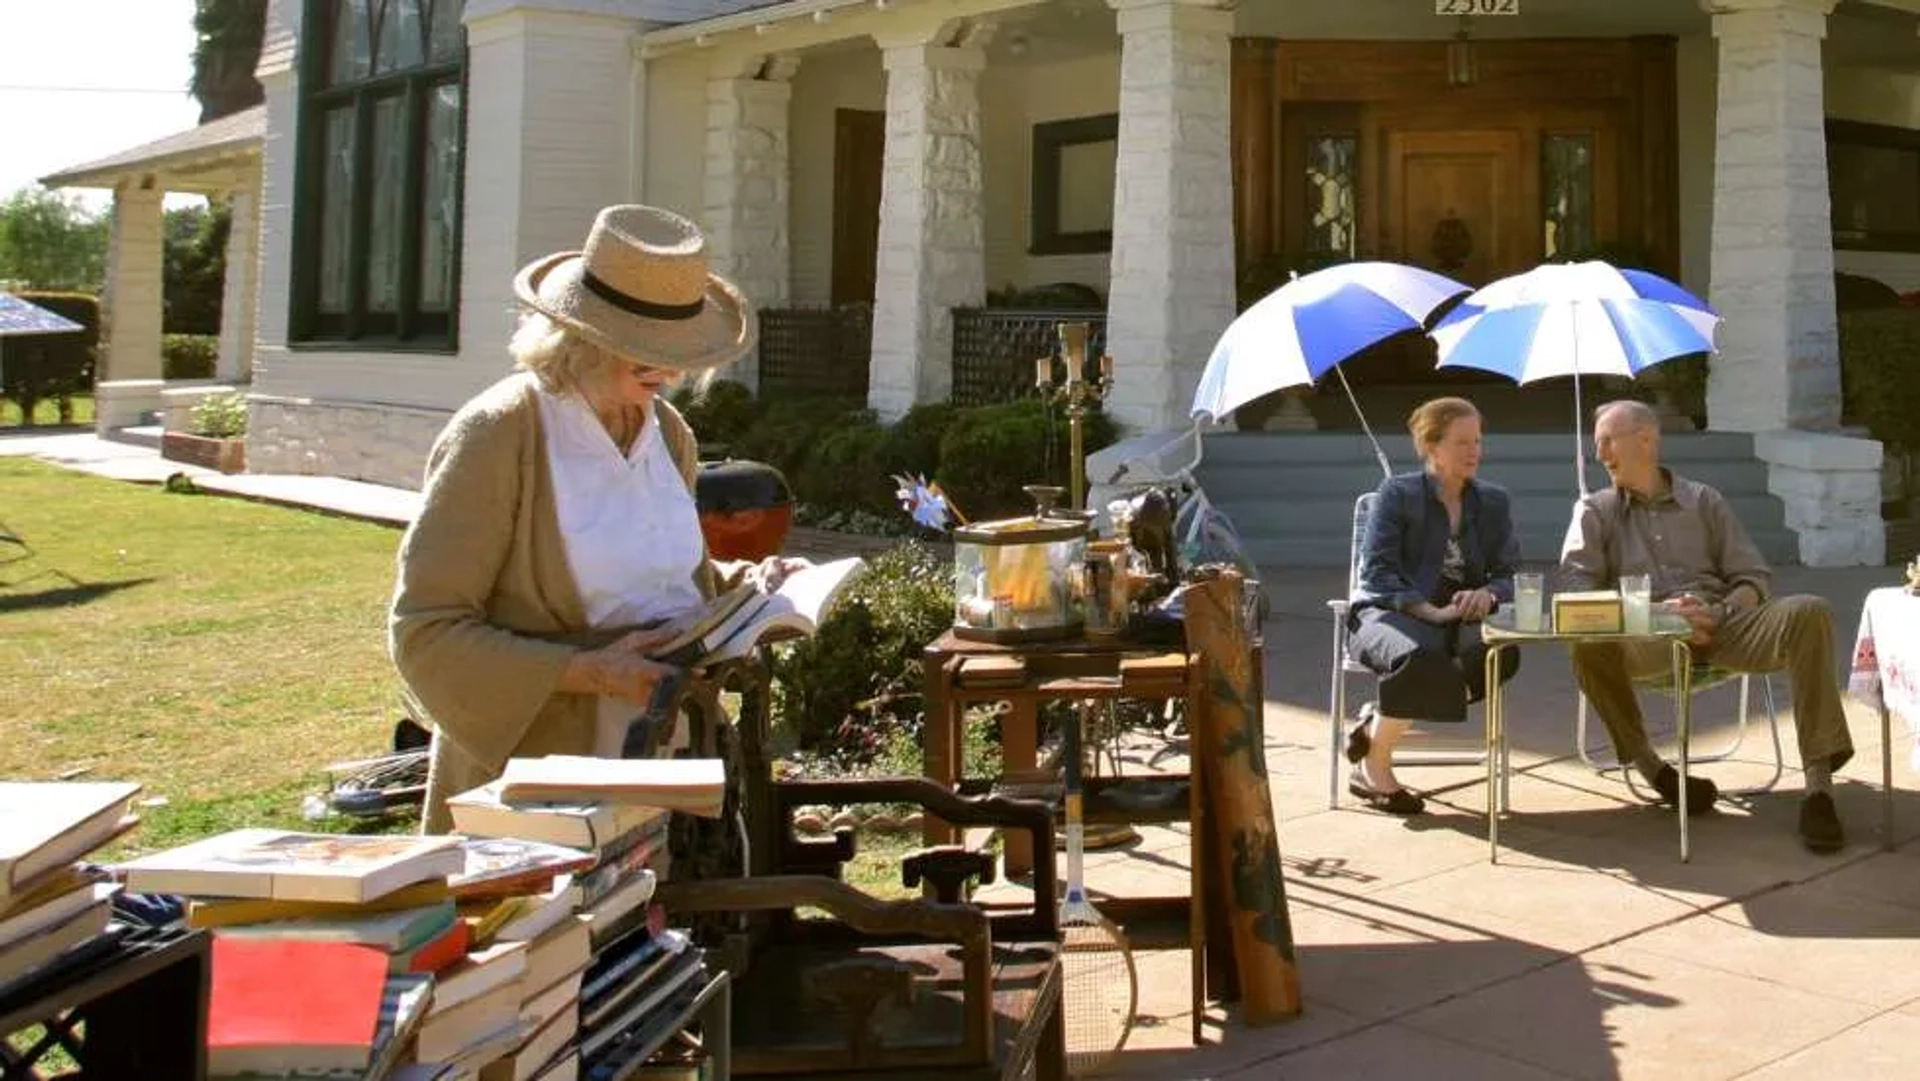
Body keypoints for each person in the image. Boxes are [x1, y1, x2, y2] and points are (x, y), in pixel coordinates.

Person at [390, 204, 806, 835]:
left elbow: (653, 572)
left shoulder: (667, 431)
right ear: (579, 336)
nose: (666, 372)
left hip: (667, 760)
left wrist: (749, 584)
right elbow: (428, 632)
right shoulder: (501, 435)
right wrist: (587, 671)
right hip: (541, 786)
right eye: (643, 354)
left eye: (678, 353)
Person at [1559, 400, 1852, 852]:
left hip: (1724, 625)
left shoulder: (1704, 500)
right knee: (1586, 646)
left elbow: (1752, 578)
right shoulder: (1594, 511)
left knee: (1808, 610)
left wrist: (1716, 612)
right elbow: (1577, 597)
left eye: (1607, 442)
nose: (1600, 455)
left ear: (1646, 440)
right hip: (1648, 636)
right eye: (1596, 444)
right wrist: (1655, 616)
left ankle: (1818, 787)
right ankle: (1654, 771)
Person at [1346, 397, 1521, 815]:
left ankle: (1379, 721)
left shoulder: (1493, 501)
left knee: (1500, 655)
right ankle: (1374, 769)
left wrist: (1490, 594)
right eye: (1461, 442)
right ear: (1431, 445)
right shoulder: (1397, 494)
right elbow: (1378, 574)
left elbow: (1508, 573)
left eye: (1477, 441)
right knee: (1421, 659)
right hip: (1390, 613)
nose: (1473, 451)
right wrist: (1428, 611)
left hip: (1464, 618)